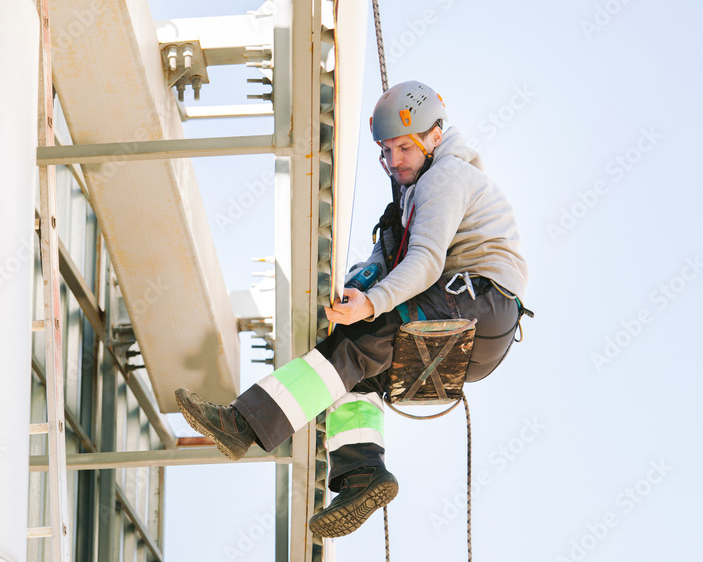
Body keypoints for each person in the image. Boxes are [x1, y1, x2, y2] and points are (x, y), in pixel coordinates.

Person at [176, 80, 529, 538]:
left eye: (405, 147)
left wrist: (373, 303)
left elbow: (425, 262)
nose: (394, 160)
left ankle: (243, 424)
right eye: (386, 150)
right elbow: (389, 260)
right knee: (352, 367)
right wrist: (357, 288)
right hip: (476, 332)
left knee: (362, 336)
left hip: (481, 302)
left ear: (435, 137)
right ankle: (362, 473)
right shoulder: (405, 200)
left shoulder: (446, 178)